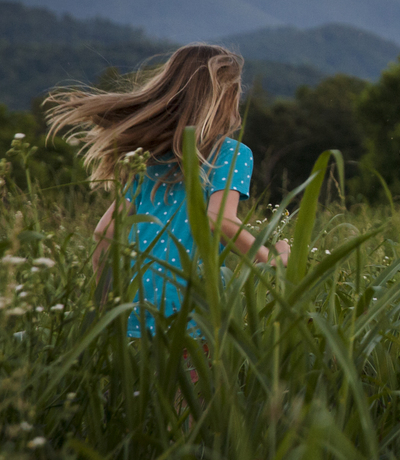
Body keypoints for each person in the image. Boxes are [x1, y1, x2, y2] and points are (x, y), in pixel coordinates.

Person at [46, 43, 289, 337]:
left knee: (138, 384)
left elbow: (104, 233)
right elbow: (219, 220)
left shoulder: (146, 158)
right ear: (224, 97)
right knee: (189, 384)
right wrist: (271, 257)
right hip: (192, 315)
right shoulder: (231, 153)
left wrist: (106, 303)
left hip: (130, 314)